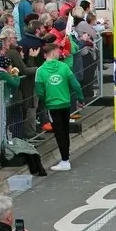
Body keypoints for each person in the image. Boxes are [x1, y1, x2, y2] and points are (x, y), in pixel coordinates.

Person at [34, 42, 82, 172]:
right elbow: (75, 84)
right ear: (54, 53)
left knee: (59, 132)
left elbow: (39, 91)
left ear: (45, 55)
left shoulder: (40, 70)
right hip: (65, 103)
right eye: (58, 51)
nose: (60, 53)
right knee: (65, 131)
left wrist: (45, 100)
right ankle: (66, 156)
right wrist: (80, 98)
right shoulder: (64, 67)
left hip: (52, 105)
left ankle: (65, 160)